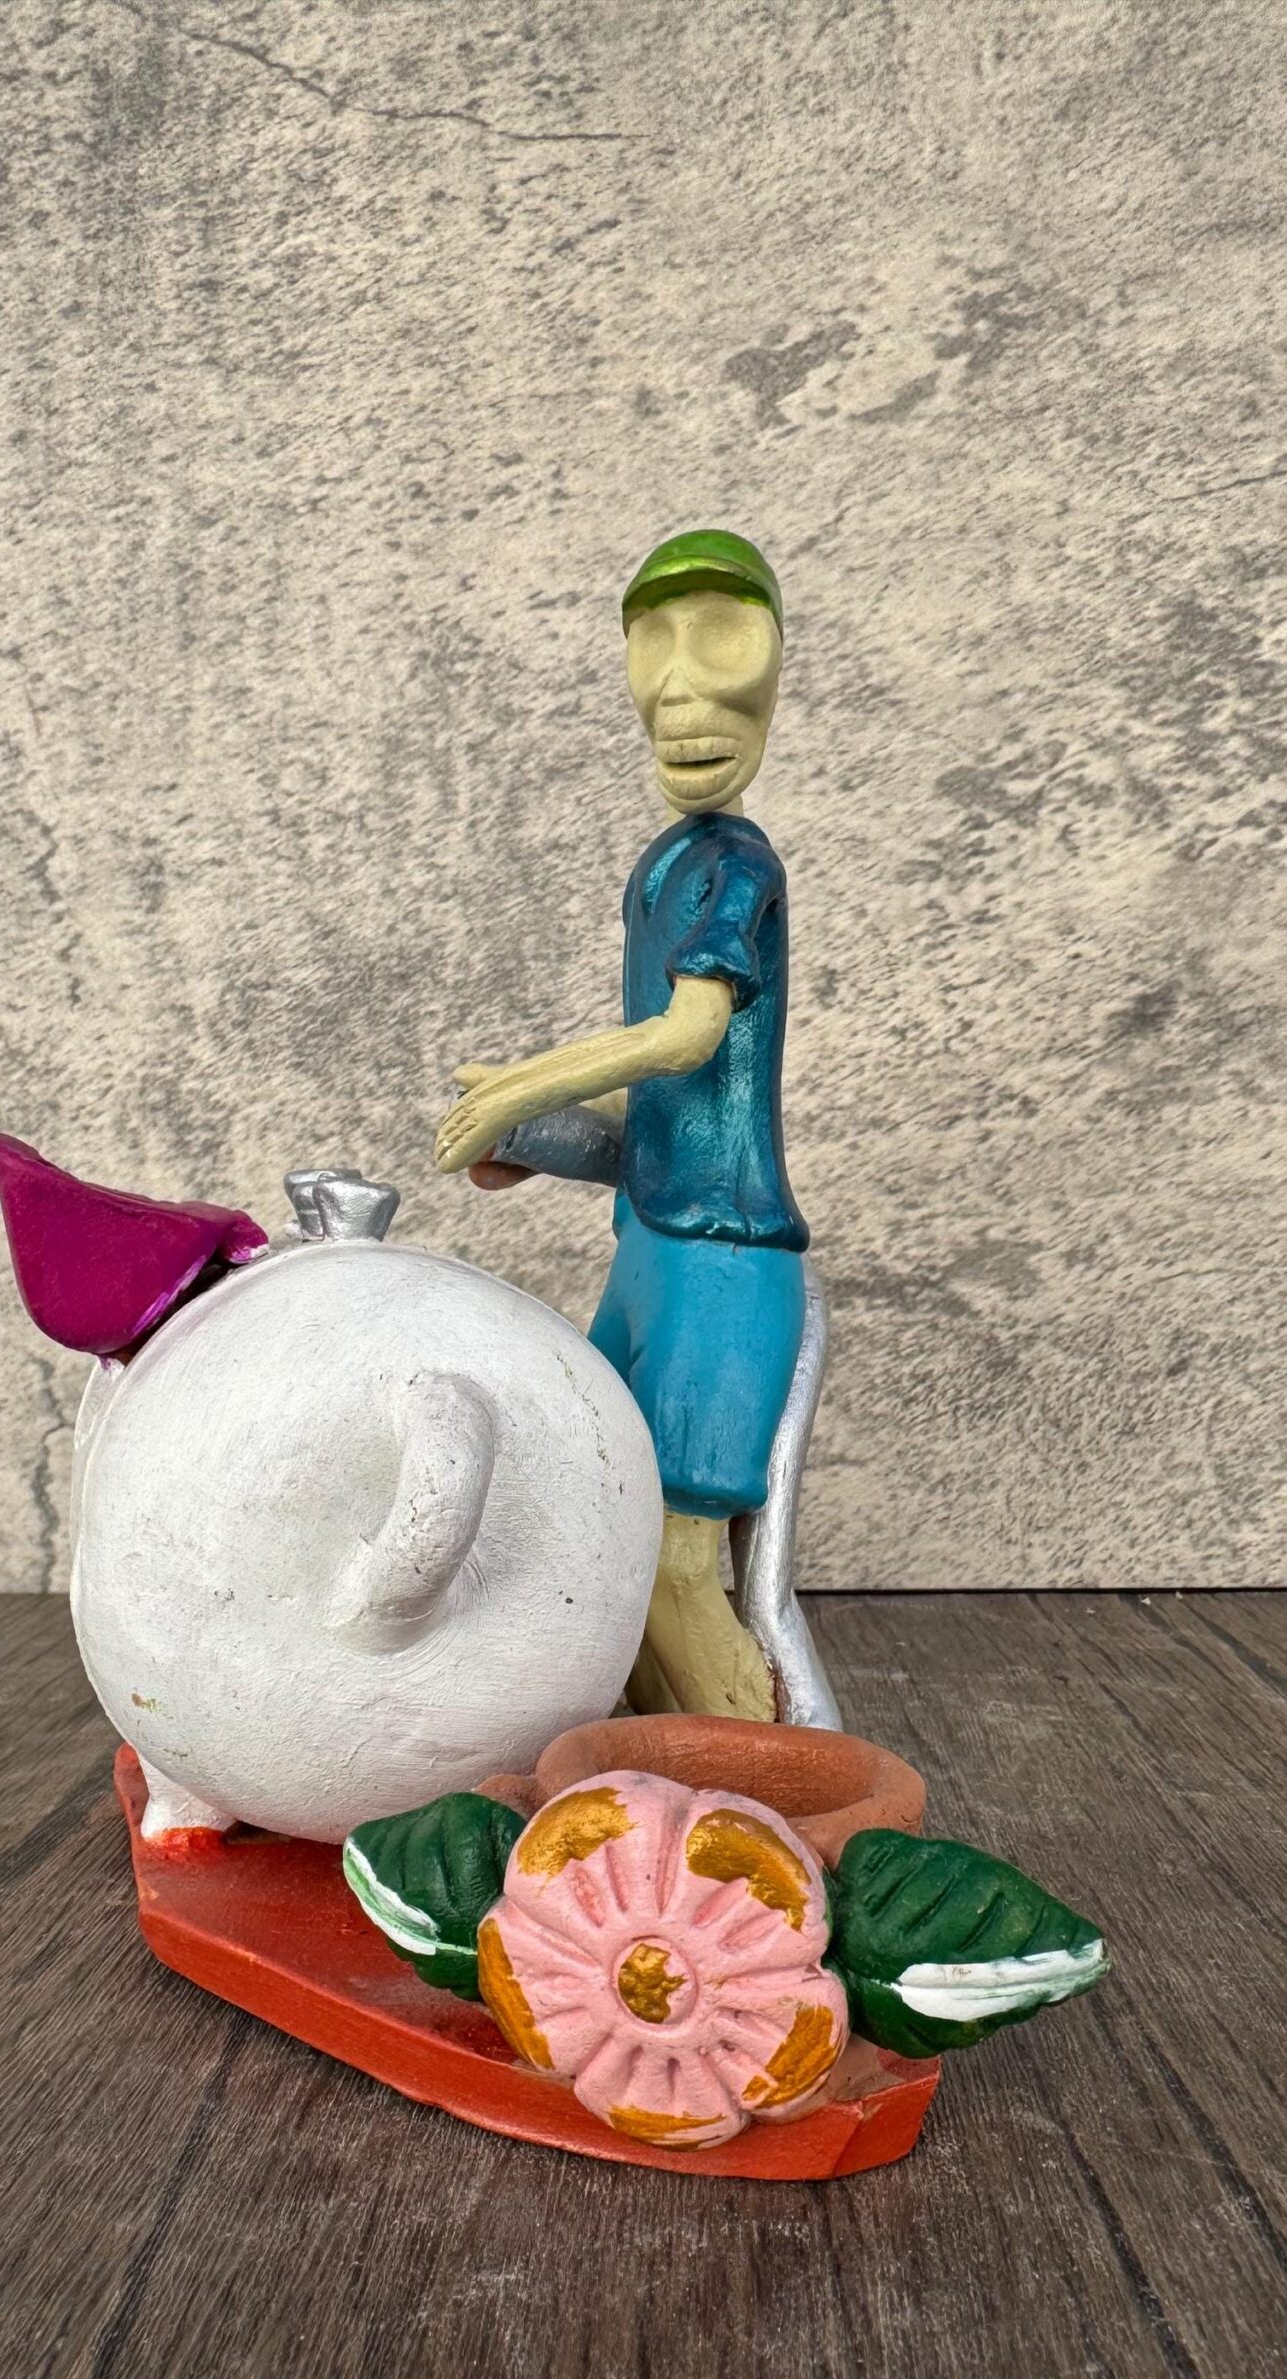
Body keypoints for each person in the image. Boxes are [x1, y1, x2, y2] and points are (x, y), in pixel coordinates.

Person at [436, 529, 808, 1721]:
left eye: (724, 645)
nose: (686, 696)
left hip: (720, 1264)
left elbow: (690, 1035)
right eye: (656, 648)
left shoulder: (736, 867)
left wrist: (525, 1084)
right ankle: (655, 1769)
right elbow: (663, 1117)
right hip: (650, 1250)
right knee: (598, 1531)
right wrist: (537, 1134)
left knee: (674, 1564)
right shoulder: (667, 862)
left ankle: (766, 1796)